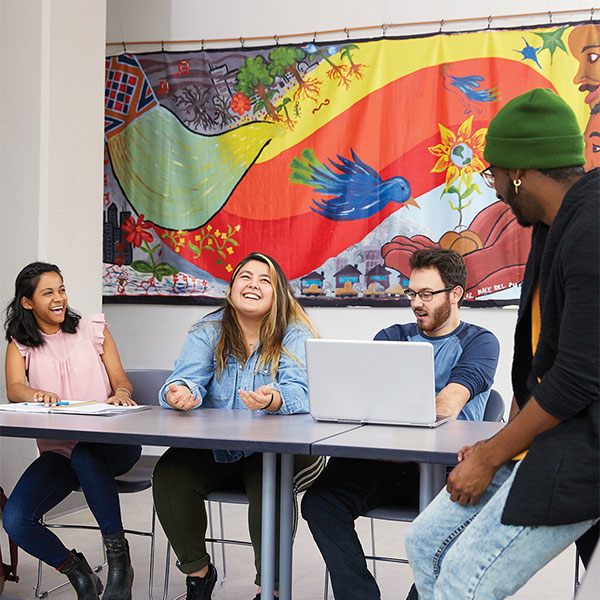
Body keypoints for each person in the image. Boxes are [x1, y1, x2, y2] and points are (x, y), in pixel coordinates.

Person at [405, 88, 599, 599]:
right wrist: (504, 438)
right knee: (425, 544)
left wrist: (492, 454)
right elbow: (540, 360)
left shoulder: (593, 228)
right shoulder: (550, 224)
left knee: (465, 581)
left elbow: (577, 379)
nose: (492, 186)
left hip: (587, 446)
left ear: (519, 173)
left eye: (493, 172)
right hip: (551, 432)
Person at [301, 247, 500, 600]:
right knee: (320, 501)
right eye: (412, 293)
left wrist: (391, 423)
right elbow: (368, 404)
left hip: (446, 473)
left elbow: (448, 403)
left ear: (455, 294)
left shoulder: (480, 342)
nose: (416, 303)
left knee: (454, 527)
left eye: (426, 294)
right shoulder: (392, 336)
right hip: (385, 463)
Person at [152, 252, 325, 600]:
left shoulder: (296, 332)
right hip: (221, 451)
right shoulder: (207, 329)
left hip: (286, 454)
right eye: (245, 277)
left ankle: (270, 587)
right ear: (231, 289)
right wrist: (178, 393)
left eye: (265, 280)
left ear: (278, 295)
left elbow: (303, 392)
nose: (253, 285)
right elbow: (185, 379)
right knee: (170, 471)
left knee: (268, 475)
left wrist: (273, 400)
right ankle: (198, 577)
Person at [2, 262, 141, 600]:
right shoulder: (20, 344)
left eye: (61, 289)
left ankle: (119, 562)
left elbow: (122, 379)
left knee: (87, 454)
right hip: (61, 452)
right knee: (17, 519)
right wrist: (34, 394)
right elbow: (14, 389)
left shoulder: (93, 329)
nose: (59, 298)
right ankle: (77, 570)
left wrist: (121, 393)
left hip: (113, 444)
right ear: (27, 302)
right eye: (48, 292)